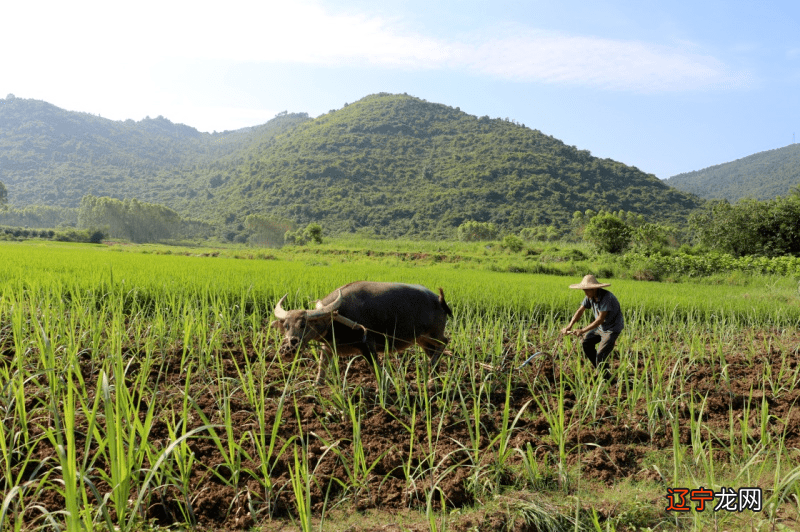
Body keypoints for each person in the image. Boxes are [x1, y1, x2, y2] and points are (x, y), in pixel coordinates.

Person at [561, 274, 624, 380]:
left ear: (595, 288)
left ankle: (606, 379)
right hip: (601, 328)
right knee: (586, 343)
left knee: (601, 353)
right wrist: (569, 326)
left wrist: (582, 330)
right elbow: (580, 311)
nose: (585, 292)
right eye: (584, 290)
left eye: (587, 290)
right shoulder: (589, 297)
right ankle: (602, 371)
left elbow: (600, 319)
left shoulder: (606, 298)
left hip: (612, 328)